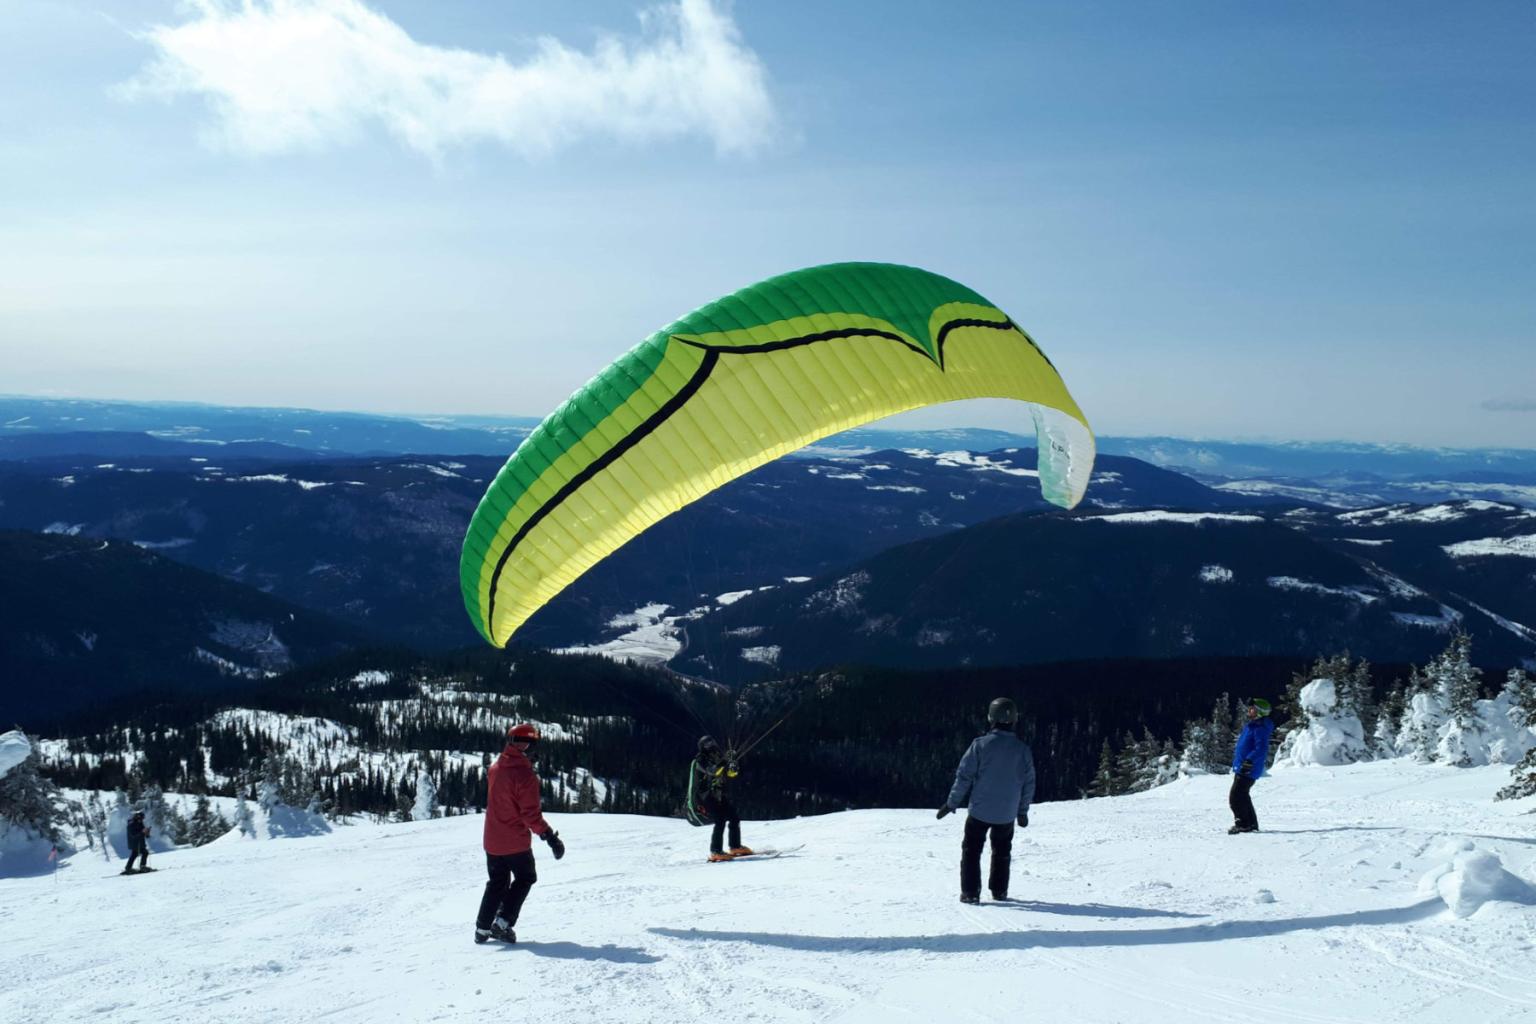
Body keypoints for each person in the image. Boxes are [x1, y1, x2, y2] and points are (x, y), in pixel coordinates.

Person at [937, 698, 1035, 904]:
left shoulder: (980, 745)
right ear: (1014, 720)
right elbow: (1028, 783)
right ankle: (999, 891)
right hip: (1007, 814)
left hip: (979, 811)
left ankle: (971, 892)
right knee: (1002, 851)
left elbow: (964, 776)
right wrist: (1022, 811)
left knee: (971, 850)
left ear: (991, 718)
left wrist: (952, 803)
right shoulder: (1022, 750)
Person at [475, 723, 564, 944]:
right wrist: (550, 837)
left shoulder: (495, 768)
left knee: (497, 882)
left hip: (492, 839)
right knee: (526, 877)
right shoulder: (525, 776)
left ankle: (482, 929)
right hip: (514, 842)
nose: (533, 750)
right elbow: (530, 816)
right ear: (525, 745)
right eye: (531, 745)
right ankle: (503, 923)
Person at [694, 736, 751, 862]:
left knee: (734, 818)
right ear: (703, 747)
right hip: (706, 796)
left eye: (712, 742)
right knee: (720, 820)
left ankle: (735, 847)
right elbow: (712, 772)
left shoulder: (716, 757)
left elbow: (729, 774)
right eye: (708, 744)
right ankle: (715, 851)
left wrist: (733, 766)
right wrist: (725, 761)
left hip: (719, 794)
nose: (711, 745)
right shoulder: (700, 760)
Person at [1229, 698, 1275, 834]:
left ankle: (1243, 824)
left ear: (1260, 712)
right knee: (1242, 795)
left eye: (1253, 709)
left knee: (1236, 797)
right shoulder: (1253, 725)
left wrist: (1249, 761)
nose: (1249, 711)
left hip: (1248, 767)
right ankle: (1251, 824)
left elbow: (1260, 748)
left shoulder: (1260, 728)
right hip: (1244, 766)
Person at [122, 809, 151, 875]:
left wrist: (147, 832)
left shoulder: (140, 823)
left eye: (142, 819)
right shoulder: (131, 824)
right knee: (142, 853)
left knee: (136, 854)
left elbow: (144, 833)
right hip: (134, 843)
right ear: (137, 817)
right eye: (141, 818)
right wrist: (142, 832)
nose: (141, 820)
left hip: (140, 842)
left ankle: (129, 867)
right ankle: (141, 866)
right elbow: (133, 835)